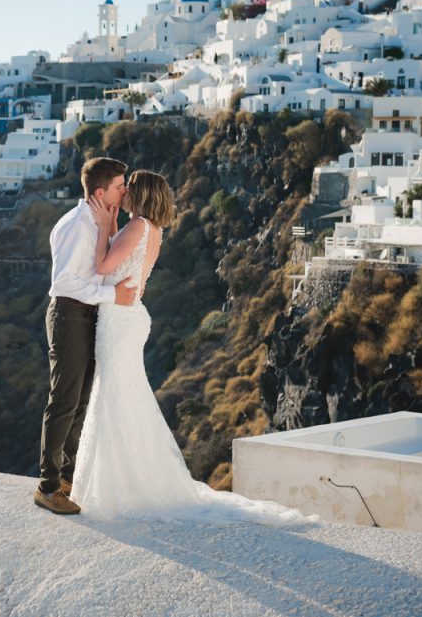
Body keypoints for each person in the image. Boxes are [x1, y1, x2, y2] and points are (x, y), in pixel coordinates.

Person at [70, 170, 318, 526]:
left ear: (140, 194)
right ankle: (128, 482)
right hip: (128, 318)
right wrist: (109, 223)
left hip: (119, 321)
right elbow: (120, 262)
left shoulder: (137, 226)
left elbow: (102, 265)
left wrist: (101, 224)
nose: (122, 193)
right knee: (124, 396)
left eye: (128, 188)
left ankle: (119, 486)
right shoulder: (151, 229)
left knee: (114, 396)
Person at [34, 157, 137, 515]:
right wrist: (111, 296)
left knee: (78, 403)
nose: (125, 190)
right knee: (63, 402)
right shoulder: (77, 225)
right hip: (69, 315)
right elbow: (63, 283)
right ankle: (47, 488)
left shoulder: (98, 221)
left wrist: (111, 226)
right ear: (100, 192)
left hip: (87, 316)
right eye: (120, 185)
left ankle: (66, 479)